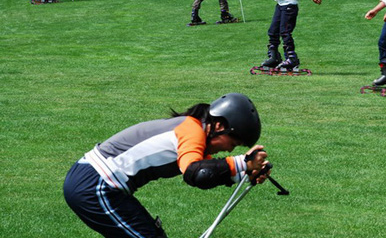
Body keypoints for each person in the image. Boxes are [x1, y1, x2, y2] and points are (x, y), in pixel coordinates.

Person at [63, 93, 270, 237]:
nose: (229, 150)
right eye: (232, 143)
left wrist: (246, 171)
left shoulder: (193, 129)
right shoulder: (192, 130)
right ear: (219, 125)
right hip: (96, 184)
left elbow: (208, 170)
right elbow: (198, 174)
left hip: (96, 182)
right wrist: (242, 162)